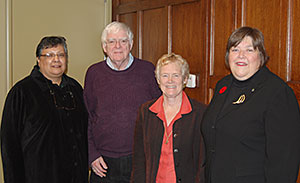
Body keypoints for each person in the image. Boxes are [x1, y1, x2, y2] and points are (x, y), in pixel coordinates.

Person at [201, 26, 300, 183]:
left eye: (249, 50)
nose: (241, 55)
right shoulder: (222, 86)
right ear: (228, 56)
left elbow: (284, 161)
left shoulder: (277, 92)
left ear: (260, 56)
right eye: (235, 49)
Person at [1, 36, 89, 183]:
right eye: (49, 55)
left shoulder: (75, 89)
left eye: (61, 55)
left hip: (75, 176)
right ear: (38, 59)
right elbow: (10, 145)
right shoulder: (22, 92)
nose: (56, 60)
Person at [83, 21, 161, 183]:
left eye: (123, 41)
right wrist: (92, 154)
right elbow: (86, 117)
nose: (117, 46)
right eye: (112, 41)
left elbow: (159, 113)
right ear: (104, 47)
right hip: (102, 162)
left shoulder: (147, 71)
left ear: (131, 44)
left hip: (139, 157)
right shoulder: (93, 73)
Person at [131, 53, 206, 183]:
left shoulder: (200, 113)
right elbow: (139, 159)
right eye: (165, 75)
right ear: (158, 80)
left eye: (175, 75)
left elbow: (203, 161)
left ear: (184, 79)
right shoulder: (146, 111)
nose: (170, 81)